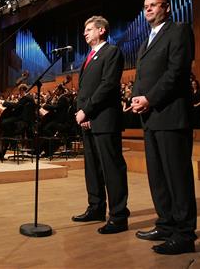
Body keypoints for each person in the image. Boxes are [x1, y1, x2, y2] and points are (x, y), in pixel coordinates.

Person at [131, 0, 197, 255]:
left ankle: (184, 234)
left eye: (153, 5)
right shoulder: (146, 39)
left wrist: (149, 98)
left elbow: (177, 72)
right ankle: (166, 223)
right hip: (150, 117)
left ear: (166, 8)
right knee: (158, 177)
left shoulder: (179, 30)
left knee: (177, 177)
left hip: (171, 115)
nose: (147, 9)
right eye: (145, 6)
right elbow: (141, 74)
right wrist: (136, 97)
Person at [72, 15, 130, 235]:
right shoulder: (90, 56)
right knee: (92, 168)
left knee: (111, 168)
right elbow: (85, 90)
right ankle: (96, 207)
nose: (85, 33)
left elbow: (107, 85)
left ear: (102, 31)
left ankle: (118, 215)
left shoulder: (111, 52)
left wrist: (87, 110)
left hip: (105, 119)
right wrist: (83, 113)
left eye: (89, 29)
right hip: (89, 119)